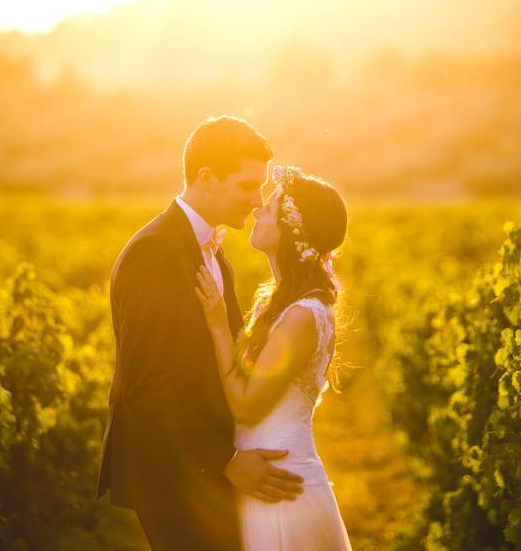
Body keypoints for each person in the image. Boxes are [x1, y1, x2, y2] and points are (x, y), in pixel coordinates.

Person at [96, 116, 305, 551]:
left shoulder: (211, 249)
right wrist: (225, 462)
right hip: (171, 472)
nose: (257, 200)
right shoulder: (154, 252)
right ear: (207, 179)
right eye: (248, 186)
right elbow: (148, 386)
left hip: (201, 465)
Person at [194, 164, 353, 550]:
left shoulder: (302, 315)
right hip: (268, 477)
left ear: (292, 229)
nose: (257, 211)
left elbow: (247, 407)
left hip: (284, 487)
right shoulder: (285, 303)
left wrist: (217, 327)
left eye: (270, 208)